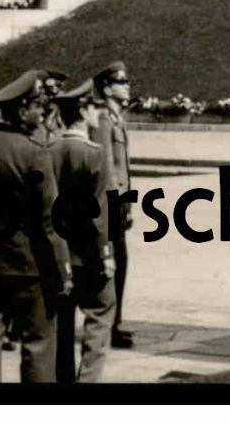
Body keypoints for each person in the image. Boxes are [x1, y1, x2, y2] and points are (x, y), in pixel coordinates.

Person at [0, 70, 70, 383]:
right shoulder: (34, 153)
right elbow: (50, 221)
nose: (42, 112)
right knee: (38, 345)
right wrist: (63, 269)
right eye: (37, 106)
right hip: (30, 267)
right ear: (22, 111)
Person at [50, 80, 116, 383]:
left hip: (59, 253)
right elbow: (100, 213)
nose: (98, 113)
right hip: (89, 252)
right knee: (101, 313)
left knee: (63, 321)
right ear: (84, 110)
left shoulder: (47, 150)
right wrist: (106, 254)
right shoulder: (94, 153)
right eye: (94, 106)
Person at [90, 61, 135, 349]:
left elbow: (123, 167)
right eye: (121, 82)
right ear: (107, 89)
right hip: (109, 202)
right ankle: (108, 324)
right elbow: (105, 165)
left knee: (120, 262)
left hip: (119, 200)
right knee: (112, 262)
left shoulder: (118, 118)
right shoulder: (104, 120)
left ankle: (114, 321)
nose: (127, 85)